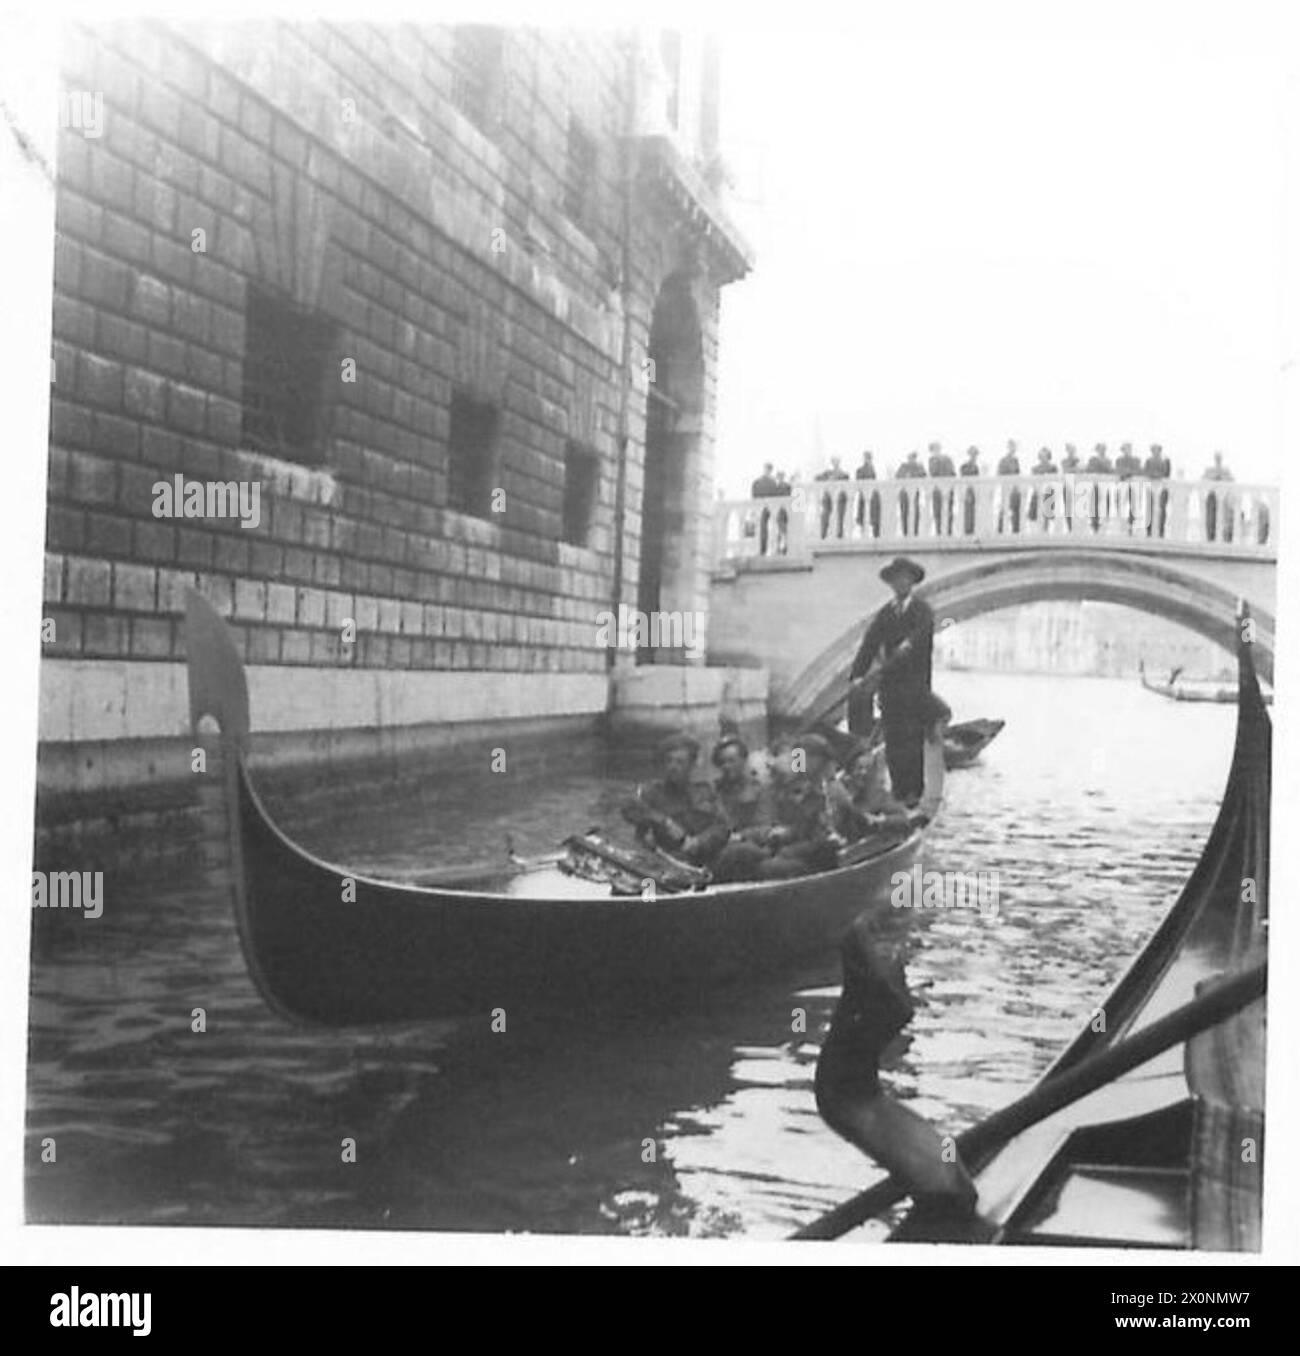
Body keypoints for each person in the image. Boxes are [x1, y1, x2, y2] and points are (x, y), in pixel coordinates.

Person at [815, 914, 984, 1233]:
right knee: (848, 1096)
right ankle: (876, 1006)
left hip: (846, 1095)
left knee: (846, 1096)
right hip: (945, 1190)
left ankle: (875, 1007)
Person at [848, 557, 934, 805]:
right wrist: (857, 676)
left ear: (911, 582)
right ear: (892, 583)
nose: (900, 583)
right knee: (894, 740)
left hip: (915, 688)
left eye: (905, 579)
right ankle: (898, 793)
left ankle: (914, 795)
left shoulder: (923, 611)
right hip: (891, 689)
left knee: (912, 740)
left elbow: (918, 638)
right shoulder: (885, 613)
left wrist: (905, 647)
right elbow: (869, 644)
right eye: (896, 580)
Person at [622, 732, 730, 867]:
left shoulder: (705, 791)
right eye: (669, 761)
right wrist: (664, 822)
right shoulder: (651, 792)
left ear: (691, 765)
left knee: (743, 853)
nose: (673, 767)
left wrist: (698, 842)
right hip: (664, 861)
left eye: (680, 762)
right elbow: (629, 809)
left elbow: (722, 827)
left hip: (703, 860)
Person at [827, 742, 921, 841]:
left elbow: (904, 819)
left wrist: (880, 821)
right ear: (850, 773)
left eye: (868, 768)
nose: (864, 773)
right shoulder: (841, 794)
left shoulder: (878, 795)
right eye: (859, 768)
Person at [927, 442, 955, 536]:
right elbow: (933, 472)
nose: (935, 450)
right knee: (937, 511)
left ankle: (948, 531)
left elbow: (952, 473)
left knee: (948, 510)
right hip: (937, 489)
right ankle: (939, 531)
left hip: (947, 488)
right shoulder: (931, 460)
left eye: (936, 448)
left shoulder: (947, 459)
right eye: (933, 449)